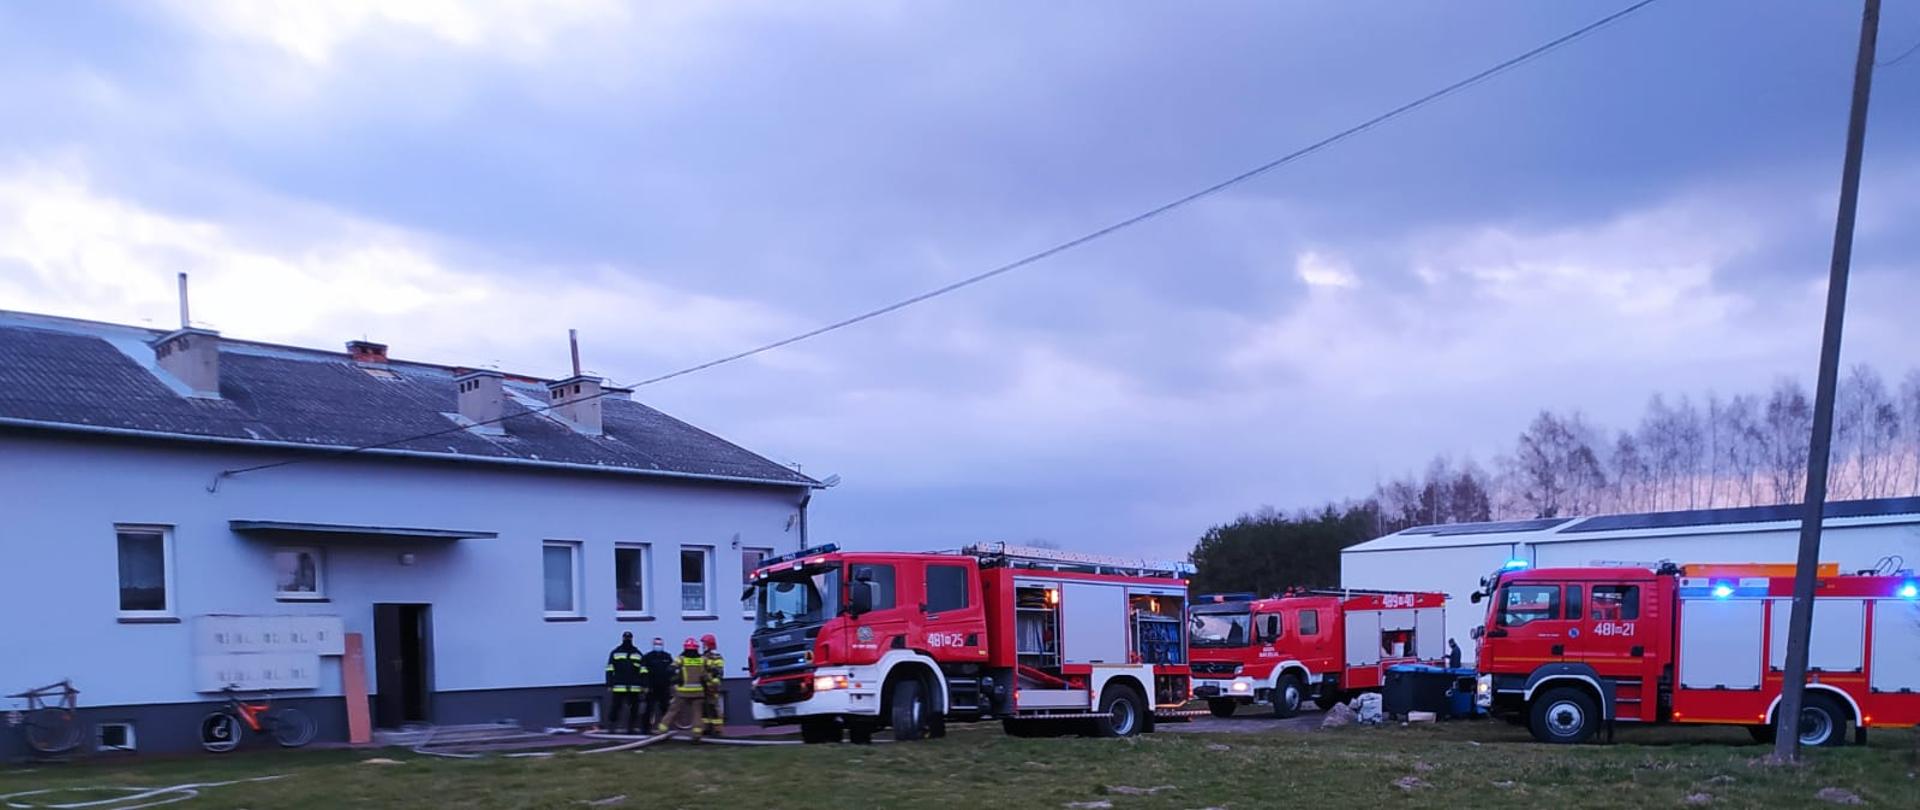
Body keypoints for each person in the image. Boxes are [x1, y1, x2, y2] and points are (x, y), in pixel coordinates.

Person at [656, 637, 714, 737]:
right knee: (697, 713)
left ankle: (662, 730)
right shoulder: (702, 660)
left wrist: (675, 678)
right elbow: (710, 671)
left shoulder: (681, 659)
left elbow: (671, 669)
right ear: (696, 648)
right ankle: (697, 733)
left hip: (683, 691)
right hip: (698, 691)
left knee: (673, 710)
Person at [604, 631, 648, 734]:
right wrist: (609, 684)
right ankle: (612, 728)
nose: (627, 640)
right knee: (616, 707)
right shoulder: (615, 652)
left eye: (629, 638)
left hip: (634, 687)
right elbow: (609, 669)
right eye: (626, 638)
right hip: (619, 686)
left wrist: (644, 684)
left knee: (634, 709)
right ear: (622, 638)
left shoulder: (637, 653)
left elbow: (643, 670)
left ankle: (631, 729)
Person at [641, 636, 675, 730]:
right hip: (651, 687)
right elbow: (643, 672)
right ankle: (645, 729)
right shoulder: (648, 657)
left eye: (659, 644)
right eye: (656, 644)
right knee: (649, 709)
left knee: (665, 708)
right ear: (653, 645)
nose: (658, 646)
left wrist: (672, 684)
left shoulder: (667, 657)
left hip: (664, 687)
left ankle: (665, 728)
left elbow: (672, 671)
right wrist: (645, 685)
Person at [700, 633, 726, 737]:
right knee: (704, 708)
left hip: (712, 686)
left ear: (709, 644)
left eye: (704, 644)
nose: (703, 646)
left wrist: (707, 666)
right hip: (703, 686)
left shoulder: (717, 657)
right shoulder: (703, 656)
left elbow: (718, 671)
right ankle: (706, 728)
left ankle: (718, 730)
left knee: (714, 708)